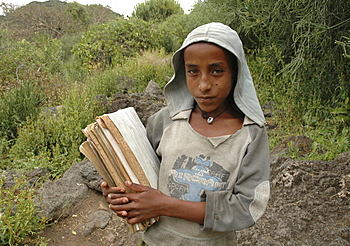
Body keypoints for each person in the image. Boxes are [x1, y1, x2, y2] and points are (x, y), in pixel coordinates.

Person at [100, 22, 270, 245]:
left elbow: (247, 207)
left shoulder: (250, 134)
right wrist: (120, 191)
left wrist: (164, 205)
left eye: (217, 70)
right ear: (182, 73)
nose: (204, 84)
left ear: (236, 72)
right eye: (193, 71)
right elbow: (141, 174)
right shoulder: (165, 121)